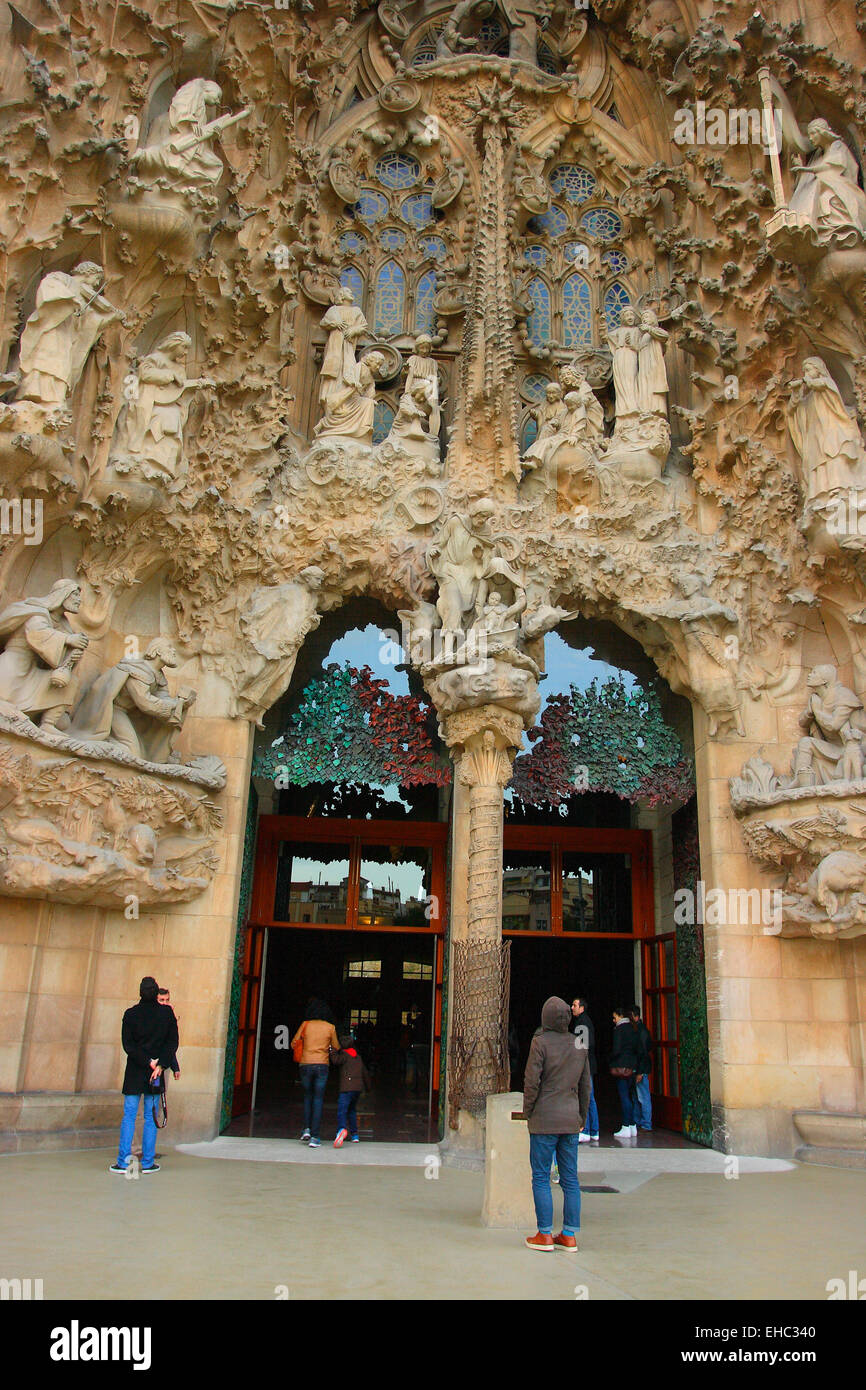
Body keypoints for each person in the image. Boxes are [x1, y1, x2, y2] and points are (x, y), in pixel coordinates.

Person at [521, 996, 590, 1253]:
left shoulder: (540, 1043)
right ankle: (569, 1235)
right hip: (571, 1120)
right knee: (570, 1179)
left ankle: (545, 1234)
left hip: (544, 1120)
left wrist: (528, 1111)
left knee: (541, 1177)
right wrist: (581, 1117)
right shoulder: (579, 1044)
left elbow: (531, 1081)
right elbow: (586, 1086)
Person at [110, 976, 178, 1174]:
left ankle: (123, 1162)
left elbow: (128, 1045)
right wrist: (160, 1064)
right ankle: (148, 1162)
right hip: (155, 1072)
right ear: (156, 992)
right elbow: (172, 1042)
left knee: (129, 1115)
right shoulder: (166, 1013)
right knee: (150, 1116)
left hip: (136, 1070)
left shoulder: (131, 1014)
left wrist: (147, 1061)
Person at [291, 998, 339, 1148]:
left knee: (307, 1096)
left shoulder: (305, 1024)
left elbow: (294, 1042)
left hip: (305, 1063)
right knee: (318, 1099)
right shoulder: (330, 1027)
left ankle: (306, 1129)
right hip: (322, 1065)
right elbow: (336, 1046)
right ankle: (315, 1137)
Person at [330, 1030, 371, 1147]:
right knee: (352, 1110)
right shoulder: (358, 1057)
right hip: (357, 1089)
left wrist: (332, 1050)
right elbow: (365, 1073)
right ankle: (354, 1134)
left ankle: (341, 1129)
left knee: (342, 1110)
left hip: (346, 1088)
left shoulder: (344, 1055)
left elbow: (335, 1060)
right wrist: (368, 1088)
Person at [571, 997, 599, 1142]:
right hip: (589, 1064)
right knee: (590, 1096)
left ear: (582, 1008)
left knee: (585, 1095)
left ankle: (586, 1130)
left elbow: (582, 1046)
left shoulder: (582, 1024)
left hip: (585, 1065)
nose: (572, 1007)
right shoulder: (585, 1021)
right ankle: (594, 1130)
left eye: (574, 1005)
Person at [610, 1004, 641, 1138]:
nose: (613, 1020)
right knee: (631, 1096)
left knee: (624, 1098)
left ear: (620, 1016)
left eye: (614, 1017)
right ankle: (633, 1125)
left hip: (621, 1068)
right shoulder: (633, 1028)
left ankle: (625, 1126)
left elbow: (616, 1050)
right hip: (632, 1068)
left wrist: (610, 1059)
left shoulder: (619, 1030)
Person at [629, 1003, 653, 1131]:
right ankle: (638, 1121)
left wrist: (640, 1072)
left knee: (643, 1096)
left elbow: (643, 1052)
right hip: (637, 1067)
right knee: (636, 1096)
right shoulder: (638, 1030)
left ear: (636, 1016)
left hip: (641, 1068)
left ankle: (646, 1123)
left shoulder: (641, 1031)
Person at [157, 986, 180, 1081]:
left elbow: (170, 1044)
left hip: (164, 1063)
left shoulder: (169, 1017)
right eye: (161, 1000)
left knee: (158, 1092)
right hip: (149, 1062)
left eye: (167, 1000)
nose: (165, 1003)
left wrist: (175, 1067)